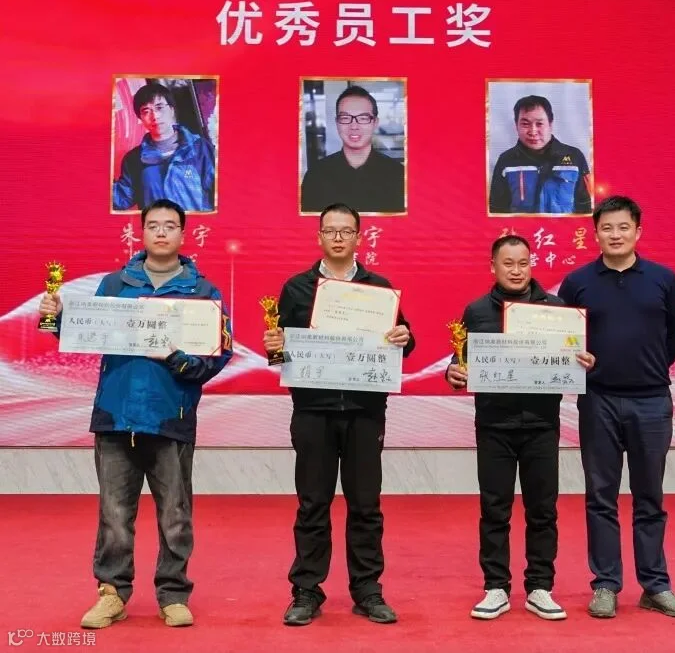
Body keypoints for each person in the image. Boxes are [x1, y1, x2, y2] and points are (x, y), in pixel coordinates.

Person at [38, 198, 233, 628]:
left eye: (169, 225)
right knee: (114, 515)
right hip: (116, 415)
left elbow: (218, 355)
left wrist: (177, 358)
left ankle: (173, 594)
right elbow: (86, 335)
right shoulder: (115, 284)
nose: (161, 232)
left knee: (175, 515)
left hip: (170, 417)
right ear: (141, 233)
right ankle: (112, 594)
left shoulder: (204, 293)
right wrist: (57, 319)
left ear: (183, 234)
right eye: (153, 225)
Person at [263, 202, 415, 626]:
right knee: (313, 503)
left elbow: (405, 343)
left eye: (346, 231)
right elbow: (281, 354)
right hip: (313, 411)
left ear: (358, 237)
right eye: (330, 230)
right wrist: (274, 348)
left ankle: (367, 589)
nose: (338, 237)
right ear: (319, 237)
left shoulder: (379, 289)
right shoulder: (297, 288)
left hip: (365, 413)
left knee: (366, 505)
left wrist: (404, 336)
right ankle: (306, 591)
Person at [445, 234, 594, 621]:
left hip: (542, 425)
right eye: (508, 263)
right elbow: (459, 361)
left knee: (542, 510)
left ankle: (540, 587)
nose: (516, 270)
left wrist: (581, 362)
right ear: (492, 266)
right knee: (494, 509)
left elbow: (572, 358)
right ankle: (495, 586)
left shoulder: (558, 310)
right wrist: (454, 372)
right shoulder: (477, 311)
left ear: (532, 264)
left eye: (523, 263)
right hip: (493, 425)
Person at [558, 195, 675, 619]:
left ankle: (656, 584)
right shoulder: (577, 283)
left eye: (623, 227)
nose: (615, 235)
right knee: (601, 496)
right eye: (607, 228)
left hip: (652, 401)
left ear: (638, 231)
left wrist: (648, 367)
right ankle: (605, 584)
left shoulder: (663, 279)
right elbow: (564, 338)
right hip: (597, 399)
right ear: (595, 234)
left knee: (649, 495)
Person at [300, 86, 406, 214]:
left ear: (375, 122)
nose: (354, 126)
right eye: (345, 118)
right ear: (337, 123)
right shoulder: (316, 176)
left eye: (363, 118)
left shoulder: (398, 175)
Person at [113, 84, 216, 212]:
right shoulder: (133, 159)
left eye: (159, 107)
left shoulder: (200, 148)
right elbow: (121, 198)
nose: (155, 116)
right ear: (141, 118)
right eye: (146, 111)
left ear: (172, 110)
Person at [489, 95, 592, 215]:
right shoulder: (506, 161)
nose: (533, 131)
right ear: (516, 125)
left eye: (539, 124)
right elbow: (497, 211)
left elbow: (586, 207)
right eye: (525, 124)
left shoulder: (575, 157)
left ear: (550, 124)